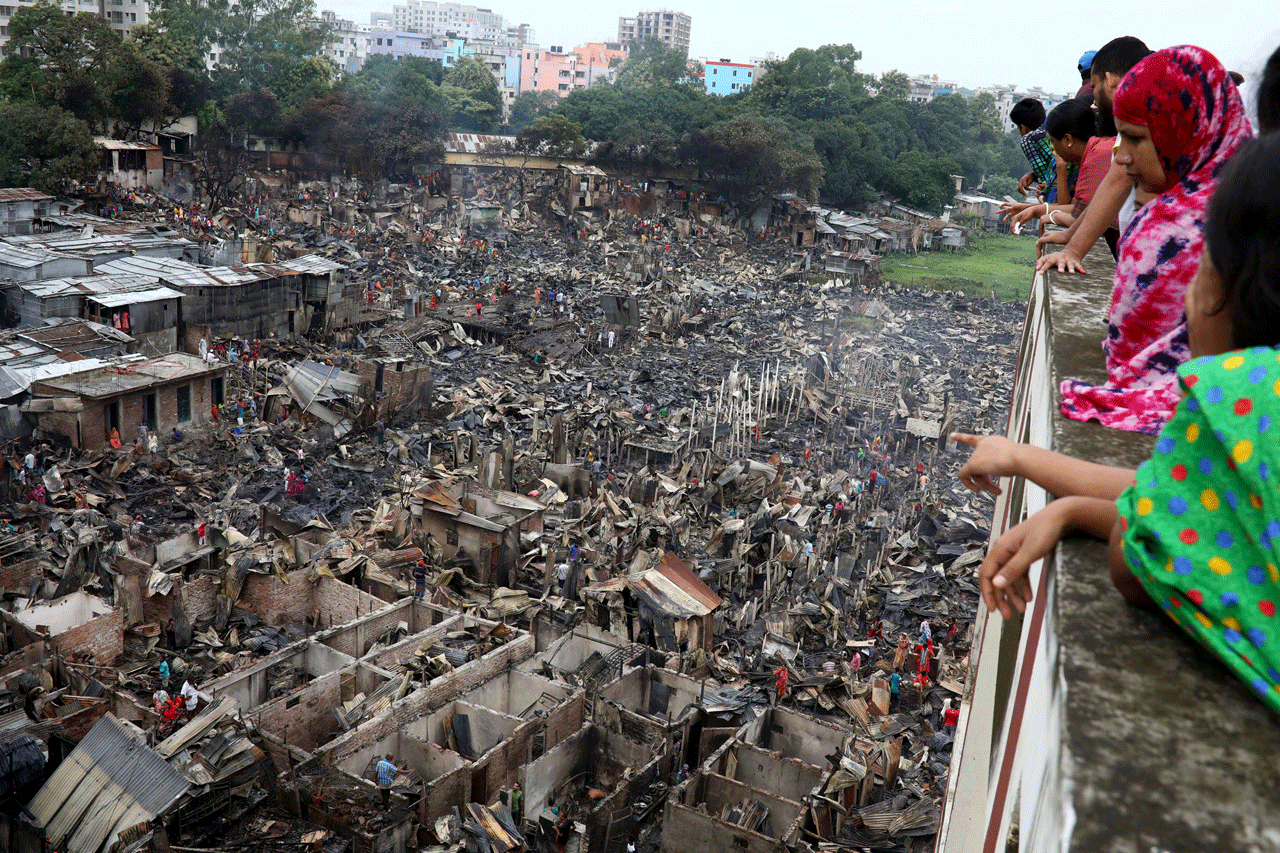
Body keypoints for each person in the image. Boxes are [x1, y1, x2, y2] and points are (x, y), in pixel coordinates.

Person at [954, 133, 1280, 713]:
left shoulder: (1240, 394)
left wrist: (1074, 505)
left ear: (1239, 288)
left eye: (1197, 267)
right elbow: (1204, 505)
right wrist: (1060, 494)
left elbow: (1137, 557)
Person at [1058, 45, 1253, 436]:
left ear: (1182, 130)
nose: (1124, 158)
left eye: (1134, 139)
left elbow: (1130, 361)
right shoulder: (1247, 197)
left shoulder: (1178, 234)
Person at [1037, 36, 1155, 275]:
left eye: (1094, 87)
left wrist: (1073, 250)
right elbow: (1108, 189)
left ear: (1110, 80)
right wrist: (1071, 236)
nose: (1093, 101)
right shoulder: (1138, 118)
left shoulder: (1143, 121)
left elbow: (1116, 184)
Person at [1012, 99, 1056, 201]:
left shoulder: (1028, 139)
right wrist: (1033, 175)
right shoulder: (1051, 129)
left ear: (1023, 127)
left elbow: (1045, 178)